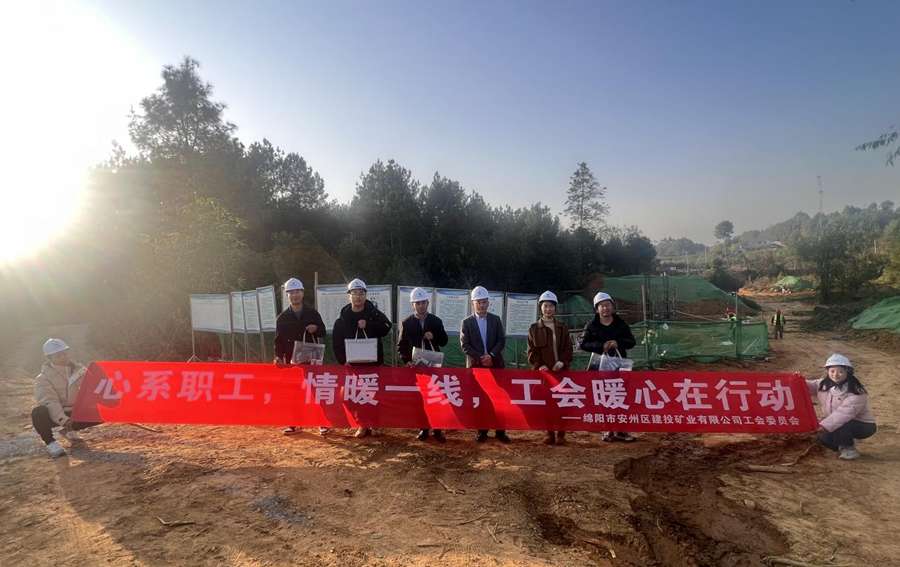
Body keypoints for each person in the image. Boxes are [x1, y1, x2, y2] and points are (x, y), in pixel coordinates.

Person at [332, 278, 392, 438]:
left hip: (373, 363)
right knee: (353, 395)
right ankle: (362, 424)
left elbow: (386, 327)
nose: (358, 296)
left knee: (374, 395)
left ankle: (375, 424)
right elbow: (336, 341)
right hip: (352, 365)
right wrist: (342, 359)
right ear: (349, 296)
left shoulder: (374, 313)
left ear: (366, 295)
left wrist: (369, 325)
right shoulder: (342, 317)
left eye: (361, 293)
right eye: (354, 293)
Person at [580, 292, 637, 442]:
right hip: (600, 368)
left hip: (620, 367)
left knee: (621, 397)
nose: (605, 308)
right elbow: (584, 344)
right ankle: (608, 429)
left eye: (607, 304)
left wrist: (619, 343)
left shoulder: (621, 324)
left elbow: (631, 341)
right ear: (597, 308)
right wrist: (600, 345)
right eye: (601, 305)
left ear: (612, 306)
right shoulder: (591, 326)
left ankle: (622, 430)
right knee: (604, 398)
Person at [274, 278, 327, 436]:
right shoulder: (282, 318)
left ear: (303, 293)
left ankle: (322, 422)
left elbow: (323, 332)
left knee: (317, 392)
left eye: (297, 291)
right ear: (287, 295)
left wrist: (316, 328)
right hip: (293, 362)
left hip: (312, 361)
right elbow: (278, 341)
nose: (295, 295)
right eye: (291, 292)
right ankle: (295, 423)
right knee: (294, 393)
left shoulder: (312, 314)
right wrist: (278, 356)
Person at [32, 339, 100, 458]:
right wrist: (63, 419)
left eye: (64, 353)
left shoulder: (80, 370)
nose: (63, 357)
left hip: (77, 411)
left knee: (107, 412)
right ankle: (51, 443)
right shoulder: (43, 378)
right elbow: (49, 401)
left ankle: (69, 430)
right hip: (59, 413)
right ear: (49, 358)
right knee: (38, 412)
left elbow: (93, 390)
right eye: (58, 355)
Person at [398, 287, 449, 442]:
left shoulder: (435, 321)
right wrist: (406, 360)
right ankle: (423, 428)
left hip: (433, 365)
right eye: (417, 303)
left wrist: (434, 336)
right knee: (419, 398)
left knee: (435, 396)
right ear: (412, 305)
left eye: (423, 302)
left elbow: (444, 341)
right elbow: (401, 346)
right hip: (417, 366)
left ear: (427, 303)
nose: (421, 306)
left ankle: (438, 429)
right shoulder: (407, 323)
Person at [460, 286, 510, 443]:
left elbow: (501, 340)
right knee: (480, 399)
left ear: (488, 302)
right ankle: (482, 430)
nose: (481, 305)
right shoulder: (466, 323)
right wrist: (482, 358)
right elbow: (465, 345)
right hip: (477, 367)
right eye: (478, 302)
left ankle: (500, 431)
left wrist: (491, 356)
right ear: (472, 304)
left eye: (483, 302)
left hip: (495, 365)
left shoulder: (495, 320)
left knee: (499, 399)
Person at [805, 354, 876, 460]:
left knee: (839, 426)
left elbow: (843, 414)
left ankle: (849, 449)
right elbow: (805, 386)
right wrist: (797, 378)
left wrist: (824, 426)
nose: (835, 375)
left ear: (848, 372)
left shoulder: (856, 391)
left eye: (840, 371)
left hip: (863, 425)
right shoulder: (823, 384)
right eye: (832, 371)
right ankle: (842, 444)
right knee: (823, 437)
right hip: (838, 422)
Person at [526, 291, 574, 445]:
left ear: (555, 308)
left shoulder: (562, 327)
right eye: (545, 306)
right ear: (541, 307)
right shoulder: (534, 328)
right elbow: (531, 351)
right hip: (544, 374)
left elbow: (568, 347)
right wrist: (540, 366)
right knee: (546, 403)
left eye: (551, 306)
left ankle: (561, 434)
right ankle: (549, 433)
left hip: (561, 372)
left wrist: (562, 362)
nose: (548, 309)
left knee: (562, 403)